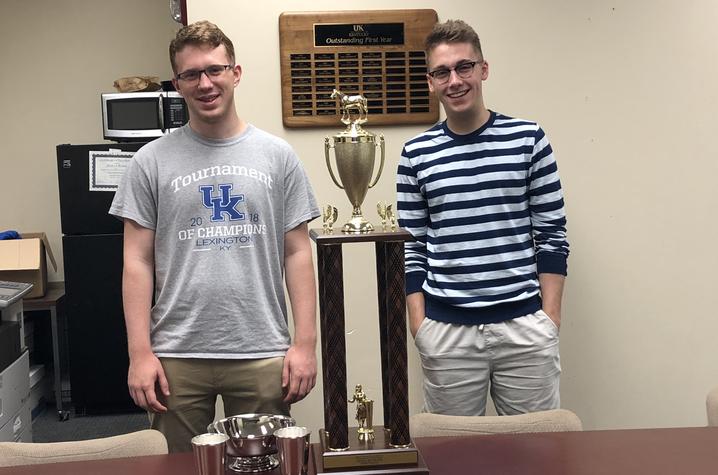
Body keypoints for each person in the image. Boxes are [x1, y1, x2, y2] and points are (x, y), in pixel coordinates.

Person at [109, 20, 319, 452]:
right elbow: (137, 262)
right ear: (177, 83)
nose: (205, 84)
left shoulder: (277, 156)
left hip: (261, 349)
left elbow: (297, 252)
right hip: (177, 354)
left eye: (215, 70)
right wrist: (139, 353)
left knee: (264, 464)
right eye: (191, 74)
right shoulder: (149, 162)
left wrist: (304, 344)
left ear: (235, 73)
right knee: (180, 466)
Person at [396, 19, 569, 417]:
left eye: (464, 67)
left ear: (483, 69)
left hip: (525, 327)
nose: (454, 80)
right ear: (430, 81)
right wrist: (420, 324)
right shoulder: (416, 154)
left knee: (536, 455)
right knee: (453, 458)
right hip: (446, 334)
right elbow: (411, 247)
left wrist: (550, 316)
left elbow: (552, 233)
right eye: (441, 72)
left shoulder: (528, 139)